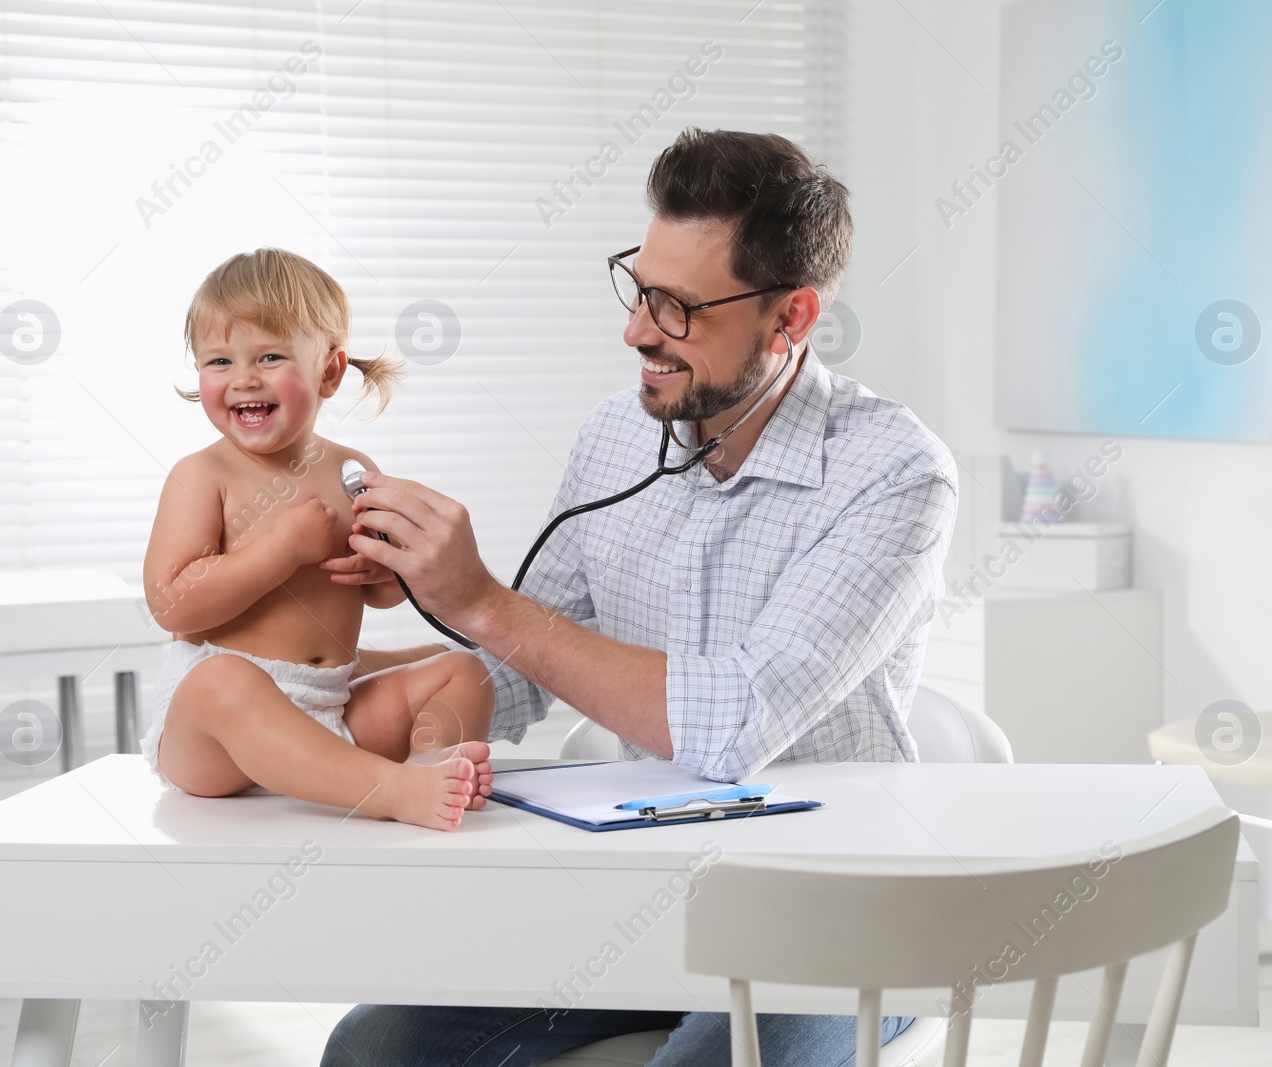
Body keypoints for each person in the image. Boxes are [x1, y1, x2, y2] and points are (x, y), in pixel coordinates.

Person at [318, 129, 958, 1064]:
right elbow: (514, 670)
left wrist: (484, 598)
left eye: (679, 307)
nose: (637, 330)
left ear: (793, 317)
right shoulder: (617, 436)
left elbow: (733, 724)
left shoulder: (895, 473)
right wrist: (341, 670)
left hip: (842, 915)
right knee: (376, 1048)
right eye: (638, 286)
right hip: (645, 904)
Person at [140, 248, 494, 831]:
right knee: (221, 681)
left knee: (462, 669)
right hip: (215, 736)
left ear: (329, 371)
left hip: (326, 705)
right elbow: (172, 605)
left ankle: (430, 768)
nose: (243, 379)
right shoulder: (202, 476)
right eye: (219, 361)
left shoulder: (349, 469)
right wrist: (280, 548)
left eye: (270, 356)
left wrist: (386, 574)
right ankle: (392, 790)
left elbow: (376, 591)